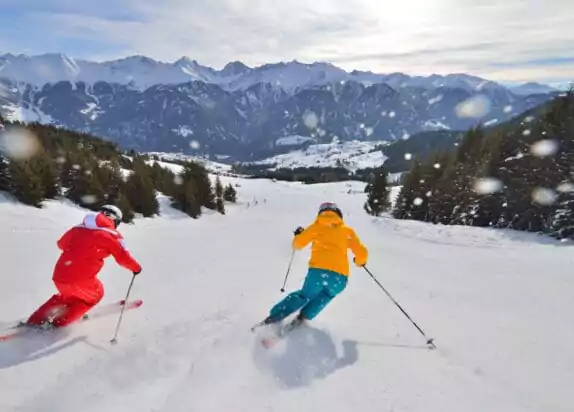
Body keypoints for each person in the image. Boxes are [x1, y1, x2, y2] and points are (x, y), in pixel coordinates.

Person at [26, 205, 142, 329]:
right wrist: (136, 268)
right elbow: (123, 259)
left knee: (67, 296)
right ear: (115, 220)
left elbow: (61, 244)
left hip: (60, 275)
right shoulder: (113, 235)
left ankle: (35, 320)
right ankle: (60, 323)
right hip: (81, 280)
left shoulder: (78, 228)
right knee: (95, 295)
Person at [264, 202, 368, 325]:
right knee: (326, 296)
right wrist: (359, 261)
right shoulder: (347, 231)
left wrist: (298, 235)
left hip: (318, 273)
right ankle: (305, 316)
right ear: (339, 215)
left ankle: (276, 315)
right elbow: (362, 254)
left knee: (305, 295)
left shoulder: (317, 227)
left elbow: (297, 245)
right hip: (340, 278)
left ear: (320, 213)